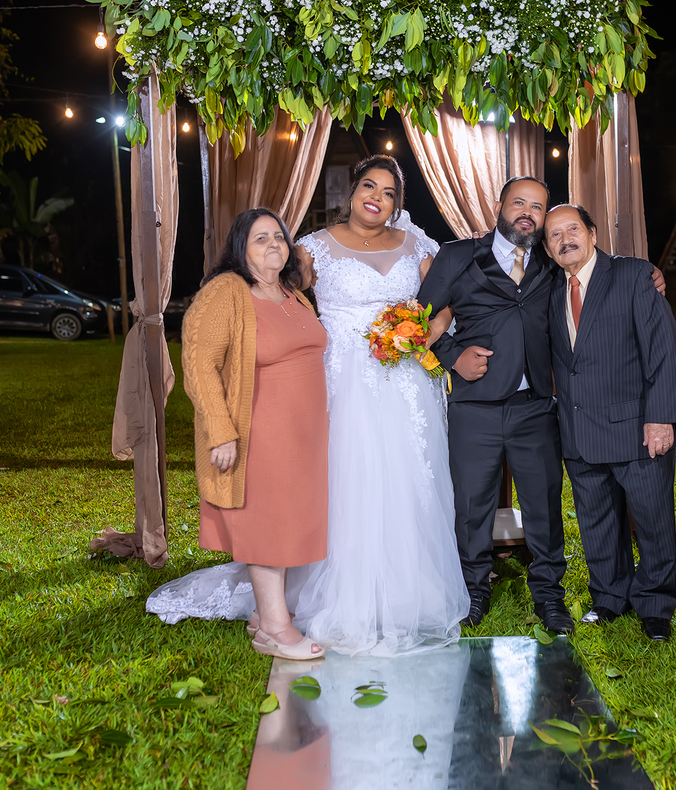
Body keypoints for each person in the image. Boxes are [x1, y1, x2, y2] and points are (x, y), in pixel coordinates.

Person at [290, 154, 469, 655]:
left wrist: (428, 330)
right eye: (370, 186)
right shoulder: (313, 247)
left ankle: (410, 592)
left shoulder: (417, 245)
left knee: (410, 476)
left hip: (407, 382)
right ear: (352, 191)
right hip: (343, 380)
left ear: (397, 204)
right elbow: (282, 295)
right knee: (351, 476)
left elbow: (448, 299)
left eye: (389, 193)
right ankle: (342, 591)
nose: (378, 198)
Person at [417, 176, 573, 633]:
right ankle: (472, 590)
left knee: (544, 503)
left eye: (537, 207)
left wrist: (648, 274)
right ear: (499, 207)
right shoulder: (458, 255)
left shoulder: (551, 259)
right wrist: (452, 356)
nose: (527, 213)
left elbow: (593, 267)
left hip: (535, 406)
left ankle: (549, 595)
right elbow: (417, 319)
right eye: (519, 203)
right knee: (471, 505)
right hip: (475, 407)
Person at [176, 208, 328, 660]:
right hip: (259, 432)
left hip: (304, 437)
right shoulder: (227, 291)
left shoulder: (291, 293)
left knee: (289, 521)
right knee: (268, 525)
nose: (273, 244)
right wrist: (221, 431)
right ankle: (275, 631)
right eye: (261, 238)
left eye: (278, 236)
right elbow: (199, 363)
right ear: (240, 248)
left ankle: (267, 613)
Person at [543, 204, 676, 642]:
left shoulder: (634, 275)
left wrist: (660, 418)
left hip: (636, 429)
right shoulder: (550, 287)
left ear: (592, 233)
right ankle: (609, 596)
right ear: (546, 248)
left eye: (572, 229)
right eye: (554, 235)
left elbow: (663, 350)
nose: (565, 239)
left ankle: (656, 604)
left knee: (653, 520)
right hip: (579, 431)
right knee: (596, 521)